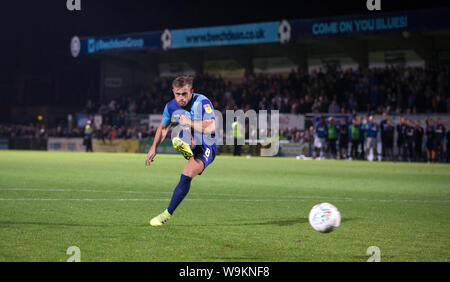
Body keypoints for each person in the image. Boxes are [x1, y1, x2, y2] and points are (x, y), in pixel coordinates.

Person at [145, 75, 217, 226]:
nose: (181, 98)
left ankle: (186, 145)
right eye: (177, 94)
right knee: (185, 175)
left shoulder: (202, 102)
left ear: (192, 91)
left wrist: (189, 122)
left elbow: (211, 127)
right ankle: (166, 215)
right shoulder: (170, 106)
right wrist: (153, 148)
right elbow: (163, 128)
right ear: (173, 92)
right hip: (190, 139)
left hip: (207, 144)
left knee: (182, 131)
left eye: (184, 94)